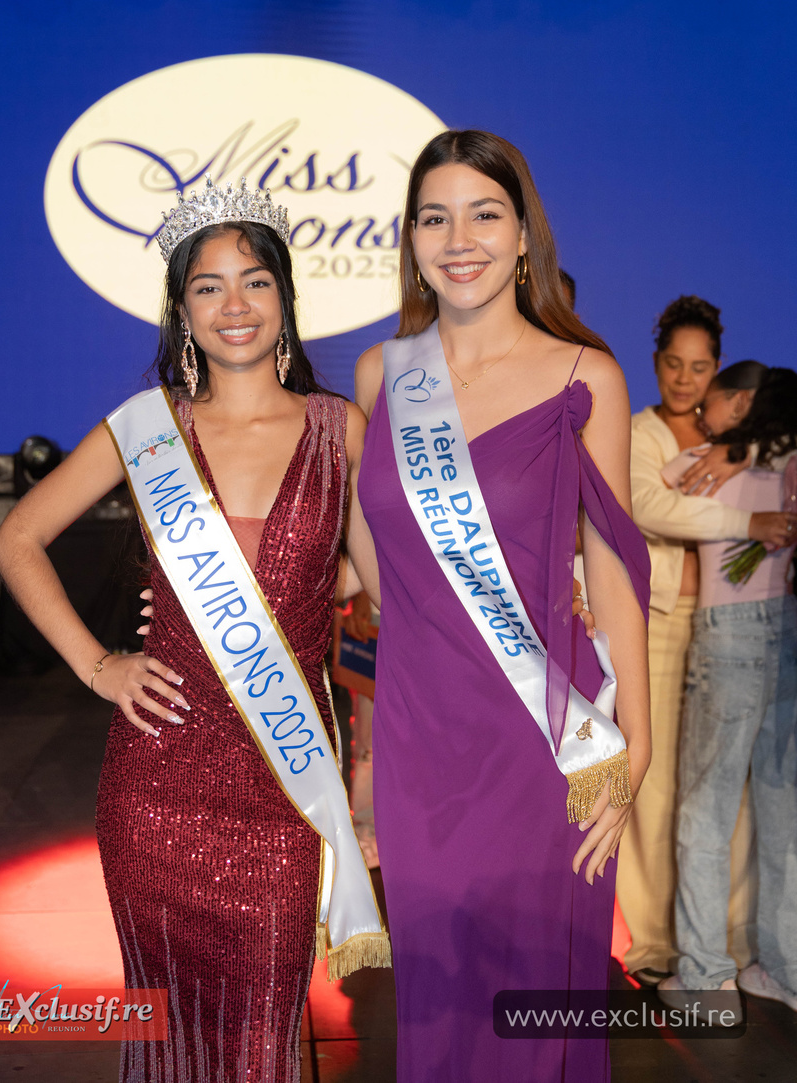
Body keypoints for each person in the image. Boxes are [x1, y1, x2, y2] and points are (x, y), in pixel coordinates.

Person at [0, 179, 389, 1082]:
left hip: (284, 784)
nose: (234, 304)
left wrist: (303, 591)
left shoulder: (340, 430)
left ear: (285, 297)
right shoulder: (148, 428)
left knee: (263, 1031)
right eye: (207, 287)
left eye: (254, 280)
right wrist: (99, 664)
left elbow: (382, 580)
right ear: (180, 311)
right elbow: (18, 538)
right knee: (168, 1034)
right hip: (157, 778)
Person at [348, 129, 652, 1082]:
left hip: (539, 738)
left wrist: (633, 744)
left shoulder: (582, 375)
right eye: (435, 216)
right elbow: (371, 563)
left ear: (525, 237)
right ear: (411, 239)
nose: (460, 236)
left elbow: (613, 569)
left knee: (531, 1004)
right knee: (439, 1001)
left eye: (486, 213)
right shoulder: (380, 375)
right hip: (417, 736)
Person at [618, 299, 792, 987]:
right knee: (658, 785)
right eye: (672, 364)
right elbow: (648, 504)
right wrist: (749, 517)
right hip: (664, 621)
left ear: (719, 373)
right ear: (655, 362)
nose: (685, 379)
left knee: (738, 797)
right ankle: (660, 941)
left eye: (700, 367)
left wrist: (739, 446)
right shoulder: (640, 431)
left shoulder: (748, 433)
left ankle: (727, 942)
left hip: (737, 629)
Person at [657, 364, 797, 1014]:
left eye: (712, 399)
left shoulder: (702, 459)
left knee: (705, 810)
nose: (701, 409)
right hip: (786, 628)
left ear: (740, 401)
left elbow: (665, 485)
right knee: (782, 809)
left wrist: (727, 448)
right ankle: (785, 970)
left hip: (730, 631)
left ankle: (707, 975)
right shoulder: (786, 454)